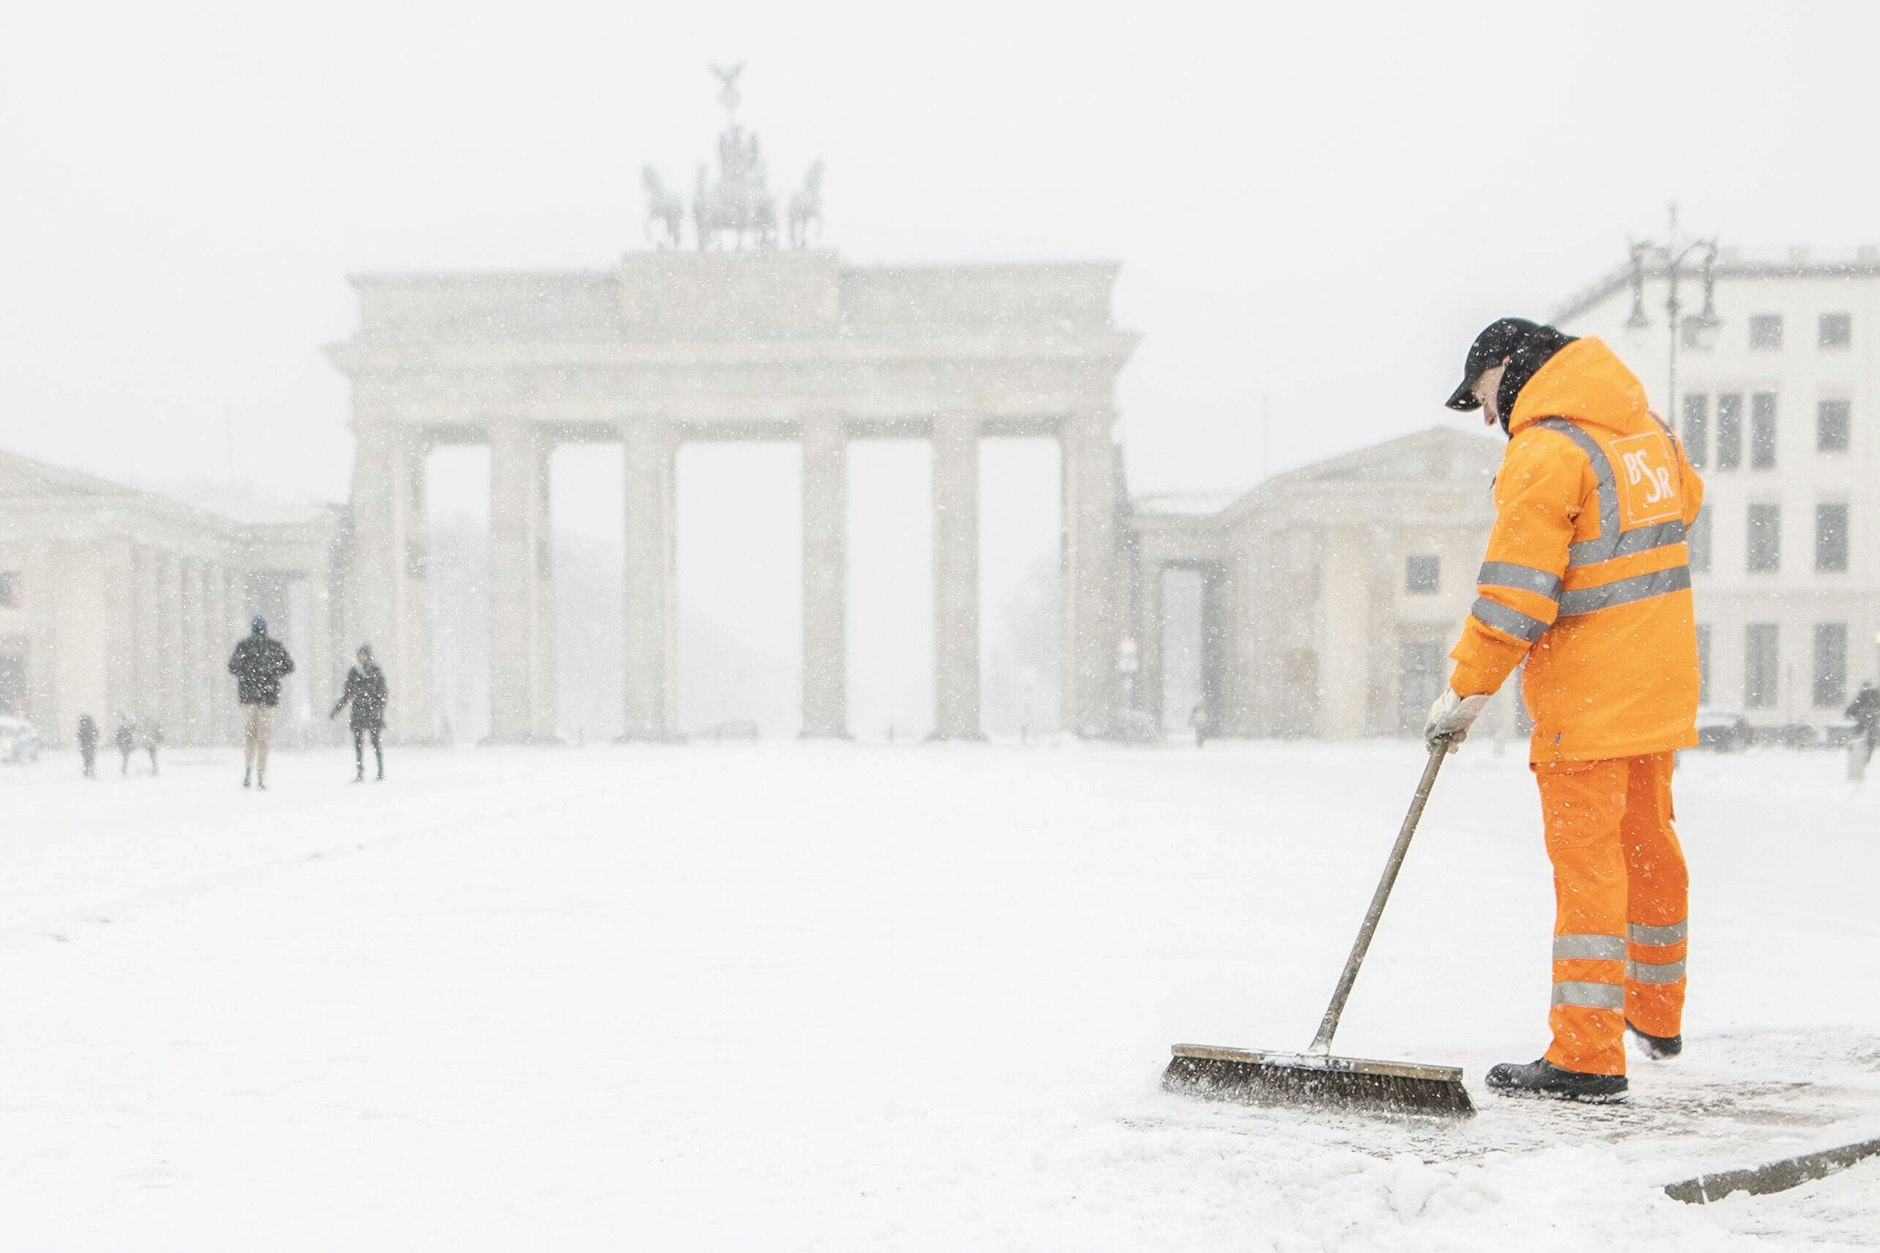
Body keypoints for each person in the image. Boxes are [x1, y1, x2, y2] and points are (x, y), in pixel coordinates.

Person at [1427, 318, 1703, 1102]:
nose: (1488, 415)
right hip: (1657, 684)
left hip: (1586, 701)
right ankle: (1655, 1010)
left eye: (1483, 394)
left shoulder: (1546, 450)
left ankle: (1587, 1052)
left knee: (1589, 870)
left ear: (1510, 366)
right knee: (1648, 845)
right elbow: (1686, 505)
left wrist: (1466, 690)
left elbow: (1515, 595)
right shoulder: (1646, 431)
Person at [228, 615, 295, 790]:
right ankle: (260, 774)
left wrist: (248, 675)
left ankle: (248, 769)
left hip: (249, 698)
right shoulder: (274, 647)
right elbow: (289, 666)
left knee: (249, 735)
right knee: (263, 738)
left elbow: (232, 667)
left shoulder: (244, 647)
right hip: (268, 698)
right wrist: (271, 673)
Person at [330, 643, 389, 782]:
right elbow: (347, 694)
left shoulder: (375, 671)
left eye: (364, 654)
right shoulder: (354, 672)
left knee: (375, 742)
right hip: (359, 712)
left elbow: (382, 693)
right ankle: (360, 771)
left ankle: (380, 771)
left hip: (372, 712)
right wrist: (336, 710)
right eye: (360, 654)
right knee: (358, 743)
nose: (361, 656)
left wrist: (378, 708)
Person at [1848, 681, 1880, 781]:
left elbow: (1855, 706)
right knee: (1871, 736)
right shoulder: (1875, 694)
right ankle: (1868, 755)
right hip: (1872, 716)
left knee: (1859, 734)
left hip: (1863, 716)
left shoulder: (1863, 694)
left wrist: (1850, 712)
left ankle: (1856, 747)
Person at [77, 714, 98, 779]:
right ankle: (91, 772)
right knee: (91, 759)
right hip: (91, 745)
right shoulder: (92, 727)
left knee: (86, 760)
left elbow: (79, 736)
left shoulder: (82, 728)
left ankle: (86, 772)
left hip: (84, 746)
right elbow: (97, 734)